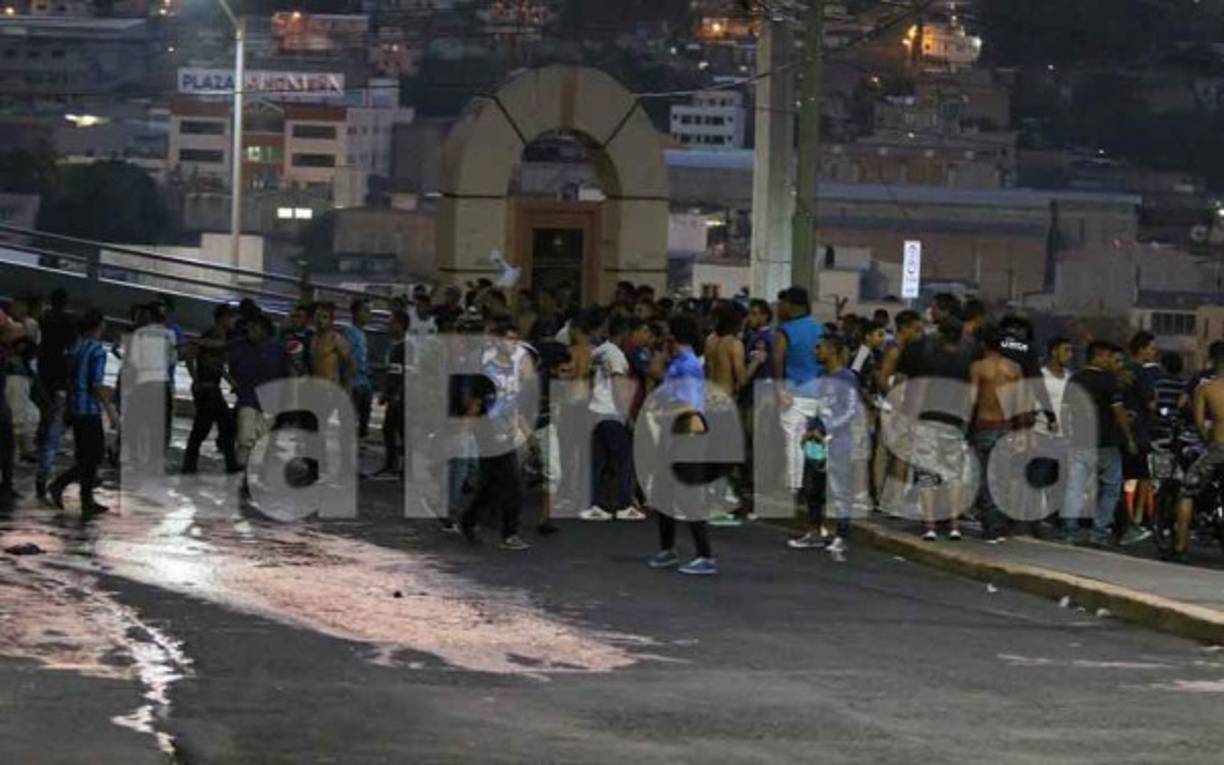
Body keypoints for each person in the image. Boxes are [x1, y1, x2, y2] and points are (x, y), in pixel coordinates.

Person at [647, 314, 717, 576]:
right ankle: (667, 549)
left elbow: (688, 406)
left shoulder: (687, 365)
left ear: (675, 336)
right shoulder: (678, 362)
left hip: (687, 435)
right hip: (673, 434)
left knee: (688, 497)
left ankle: (705, 555)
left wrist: (662, 414)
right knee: (664, 493)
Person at [788, 334, 870, 558]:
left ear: (832, 350)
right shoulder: (822, 375)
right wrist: (810, 428)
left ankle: (842, 535)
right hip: (817, 440)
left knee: (839, 489)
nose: (816, 352)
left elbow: (850, 410)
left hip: (839, 441)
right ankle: (815, 530)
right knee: (813, 487)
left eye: (819, 348)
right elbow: (819, 407)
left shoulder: (847, 378)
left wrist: (826, 428)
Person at [460, 318, 531, 551]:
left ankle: (469, 519)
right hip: (489, 433)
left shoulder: (513, 370)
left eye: (515, 340)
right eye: (509, 339)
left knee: (492, 484)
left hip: (507, 430)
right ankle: (509, 533)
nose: (513, 344)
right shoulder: (487, 370)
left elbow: (514, 402)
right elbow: (475, 403)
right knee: (514, 484)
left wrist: (524, 429)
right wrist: (466, 431)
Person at [1060, 341, 1138, 547]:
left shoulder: (1074, 380)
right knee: (1110, 488)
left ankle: (1069, 531)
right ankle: (1099, 532)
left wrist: (1066, 434)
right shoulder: (1109, 381)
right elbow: (1119, 412)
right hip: (1106, 443)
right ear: (1099, 356)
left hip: (1079, 442)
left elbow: (1065, 411)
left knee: (1074, 487)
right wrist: (1129, 437)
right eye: (1108, 356)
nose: (1110, 361)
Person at [908, 317, 974, 541]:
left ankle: (930, 526)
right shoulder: (966, 363)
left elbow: (921, 389)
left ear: (941, 335)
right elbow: (969, 394)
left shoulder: (930, 359)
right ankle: (954, 524)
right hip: (954, 421)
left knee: (927, 474)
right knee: (953, 474)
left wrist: (912, 416)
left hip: (928, 418)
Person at [49, 309, 116, 517]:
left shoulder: (75, 347)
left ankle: (86, 499)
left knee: (85, 454)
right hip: (89, 408)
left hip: (75, 406)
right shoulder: (97, 351)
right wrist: (110, 411)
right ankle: (61, 485)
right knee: (94, 455)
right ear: (97, 326)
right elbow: (96, 384)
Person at [581, 316, 643, 521]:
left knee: (599, 461)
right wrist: (626, 415)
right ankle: (625, 505)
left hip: (595, 409)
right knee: (624, 459)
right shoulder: (616, 355)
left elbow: (590, 380)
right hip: (611, 412)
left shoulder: (599, 352)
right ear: (625, 334)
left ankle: (597, 505)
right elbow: (618, 385)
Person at [969, 324, 1025, 542]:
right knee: (1003, 477)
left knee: (985, 478)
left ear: (984, 345)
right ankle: (1003, 523)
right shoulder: (1014, 368)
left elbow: (971, 400)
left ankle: (991, 525)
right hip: (1006, 426)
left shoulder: (978, 367)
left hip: (985, 425)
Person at [773, 287, 825, 508]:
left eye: (782, 304)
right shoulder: (818, 327)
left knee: (792, 443)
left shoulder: (785, 331)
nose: (779, 309)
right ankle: (813, 486)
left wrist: (779, 389)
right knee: (813, 442)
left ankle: (794, 489)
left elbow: (777, 360)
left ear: (792, 306)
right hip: (817, 393)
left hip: (793, 394)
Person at [1173, 343, 1224, 560]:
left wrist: (1209, 438)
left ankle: (1180, 546)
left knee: (1187, 490)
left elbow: (1200, 425)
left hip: (1218, 449)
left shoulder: (1205, 388)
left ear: (1213, 362)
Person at [182, 304, 240, 474]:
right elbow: (189, 356)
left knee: (220, 425)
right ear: (223, 318)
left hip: (210, 388)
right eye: (231, 317)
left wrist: (232, 383)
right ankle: (190, 466)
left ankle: (228, 464)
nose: (233, 321)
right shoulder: (215, 333)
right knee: (207, 427)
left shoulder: (216, 335)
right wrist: (196, 379)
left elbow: (218, 366)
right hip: (208, 389)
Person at [227, 314, 289, 474]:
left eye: (255, 328)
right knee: (245, 437)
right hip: (247, 399)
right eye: (250, 328)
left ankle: (247, 475)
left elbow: (287, 376)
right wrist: (235, 383)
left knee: (258, 442)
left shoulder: (278, 350)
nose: (250, 331)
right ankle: (241, 472)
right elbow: (229, 364)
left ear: (265, 330)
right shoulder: (241, 346)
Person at [35, 288, 77, 502]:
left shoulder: (43, 318)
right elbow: (71, 350)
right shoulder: (69, 321)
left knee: (46, 414)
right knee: (55, 423)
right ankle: (43, 475)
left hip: (43, 373)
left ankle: (39, 446)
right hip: (60, 377)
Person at [377, 310, 409, 477]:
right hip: (398, 394)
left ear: (400, 325)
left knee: (394, 429)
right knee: (394, 429)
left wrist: (393, 394)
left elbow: (399, 373)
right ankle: (396, 464)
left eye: (391, 322)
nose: (388, 325)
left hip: (399, 396)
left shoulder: (401, 348)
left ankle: (396, 465)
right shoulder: (397, 346)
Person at [344, 298, 374, 441]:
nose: (369, 315)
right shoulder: (350, 332)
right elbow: (348, 357)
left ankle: (360, 439)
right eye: (366, 311)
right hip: (355, 380)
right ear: (355, 314)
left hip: (364, 380)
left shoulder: (361, 333)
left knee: (364, 414)